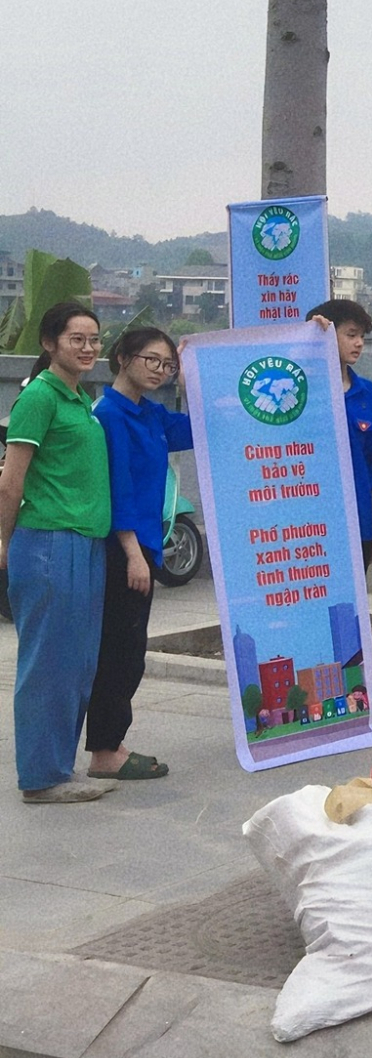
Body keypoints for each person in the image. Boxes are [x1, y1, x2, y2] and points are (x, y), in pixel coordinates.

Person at [1, 304, 112, 803]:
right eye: (77, 339)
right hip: (48, 544)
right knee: (48, 665)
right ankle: (40, 778)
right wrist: (4, 543)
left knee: (75, 664)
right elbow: (10, 483)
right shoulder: (39, 398)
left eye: (94, 339)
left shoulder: (78, 399)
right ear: (50, 343)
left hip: (84, 544)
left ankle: (57, 769)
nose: (88, 348)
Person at [86, 325, 190, 782]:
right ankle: (105, 751)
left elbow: (194, 430)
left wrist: (194, 383)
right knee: (119, 650)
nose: (160, 371)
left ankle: (112, 743)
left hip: (146, 543)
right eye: (152, 360)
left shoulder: (150, 412)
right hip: (123, 547)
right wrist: (131, 553)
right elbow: (117, 490)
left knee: (130, 649)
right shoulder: (109, 414)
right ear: (122, 358)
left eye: (167, 365)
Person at [307, 299, 372, 565]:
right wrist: (307, 338)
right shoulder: (299, 391)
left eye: (362, 336)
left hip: (358, 520)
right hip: (309, 524)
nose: (359, 343)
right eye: (351, 335)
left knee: (350, 605)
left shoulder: (370, 394)